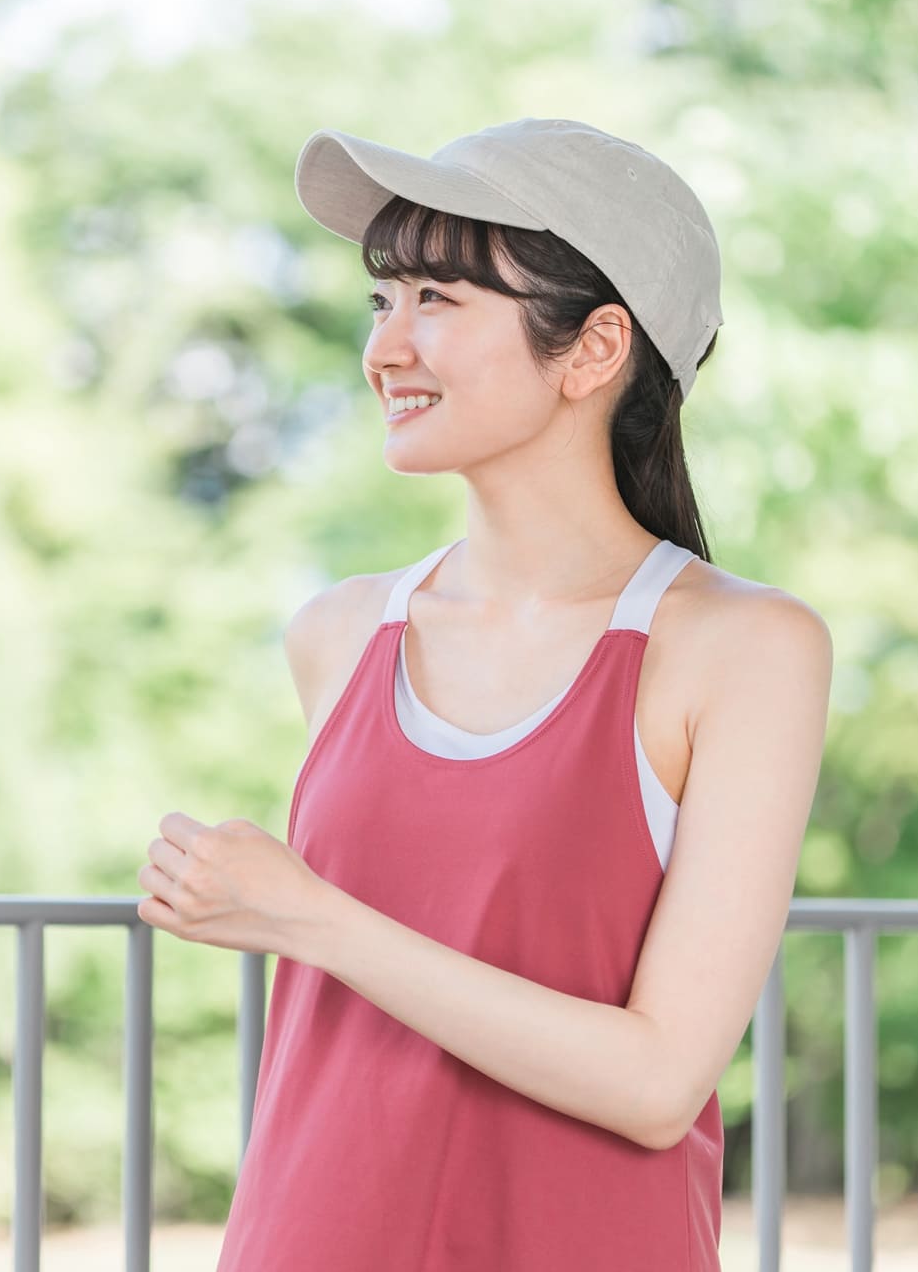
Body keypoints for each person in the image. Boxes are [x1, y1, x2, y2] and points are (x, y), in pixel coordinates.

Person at [135, 117, 833, 1271]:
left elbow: (659, 1080)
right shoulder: (338, 634)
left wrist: (307, 915)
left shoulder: (742, 649)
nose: (384, 348)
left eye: (437, 300)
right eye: (382, 300)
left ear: (594, 348)